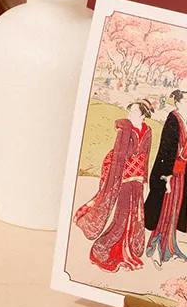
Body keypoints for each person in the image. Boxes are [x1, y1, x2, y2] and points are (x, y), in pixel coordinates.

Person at [74, 99, 154, 273]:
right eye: (130, 111)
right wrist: (116, 181)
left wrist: (145, 179)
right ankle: (102, 250)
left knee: (135, 217)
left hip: (138, 179)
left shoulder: (148, 131)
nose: (130, 114)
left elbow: (146, 157)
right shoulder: (125, 129)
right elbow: (118, 157)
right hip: (124, 178)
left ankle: (127, 250)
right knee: (121, 217)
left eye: (134, 111)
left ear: (143, 114)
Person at [144, 89, 187, 266]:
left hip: (182, 173)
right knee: (166, 208)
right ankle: (156, 245)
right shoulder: (173, 119)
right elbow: (166, 149)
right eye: (185, 101)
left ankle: (170, 245)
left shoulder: (185, 119)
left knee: (176, 209)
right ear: (178, 103)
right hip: (170, 173)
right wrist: (167, 175)